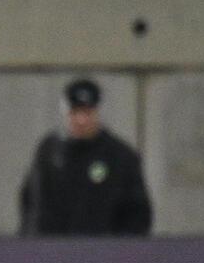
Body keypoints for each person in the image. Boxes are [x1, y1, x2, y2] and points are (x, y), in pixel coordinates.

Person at [17, 77, 153, 235]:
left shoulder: (120, 157)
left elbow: (137, 214)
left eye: (87, 113)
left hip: (102, 254)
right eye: (74, 112)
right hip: (52, 252)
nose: (81, 120)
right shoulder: (49, 151)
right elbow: (31, 204)